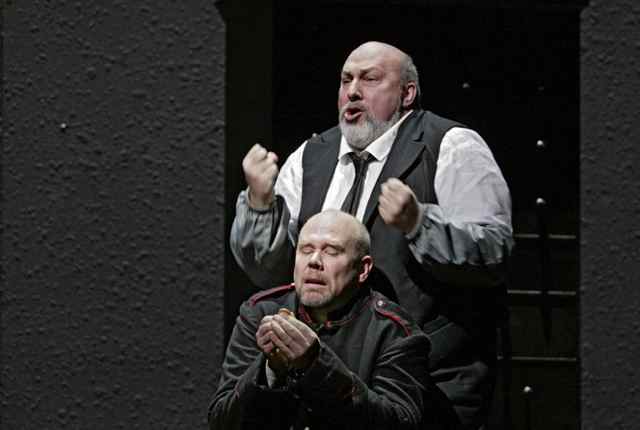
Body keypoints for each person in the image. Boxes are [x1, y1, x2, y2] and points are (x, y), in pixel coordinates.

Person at [230, 41, 514, 429]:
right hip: (324, 388)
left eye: (370, 79)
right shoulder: (310, 156)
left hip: (426, 387)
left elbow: (494, 253)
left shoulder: (450, 146)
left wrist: (419, 224)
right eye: (346, 79)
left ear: (407, 93)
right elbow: (270, 274)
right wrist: (260, 207)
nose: (352, 91)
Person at [210, 210, 443, 430]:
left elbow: (399, 423)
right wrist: (270, 370)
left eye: (331, 251)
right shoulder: (260, 312)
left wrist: (316, 365)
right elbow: (222, 421)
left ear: (363, 269)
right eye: (305, 249)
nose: (314, 260)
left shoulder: (393, 332)